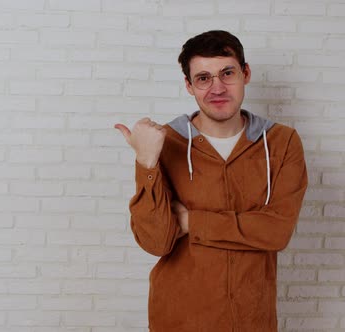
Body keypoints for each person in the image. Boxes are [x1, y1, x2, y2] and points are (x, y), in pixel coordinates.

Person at [114, 30, 308, 332]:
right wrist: (147, 162)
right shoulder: (163, 143)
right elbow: (156, 242)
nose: (217, 87)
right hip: (179, 319)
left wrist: (191, 221)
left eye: (227, 73)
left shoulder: (282, 142)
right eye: (204, 78)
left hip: (251, 320)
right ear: (189, 86)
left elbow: (277, 232)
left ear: (245, 73)